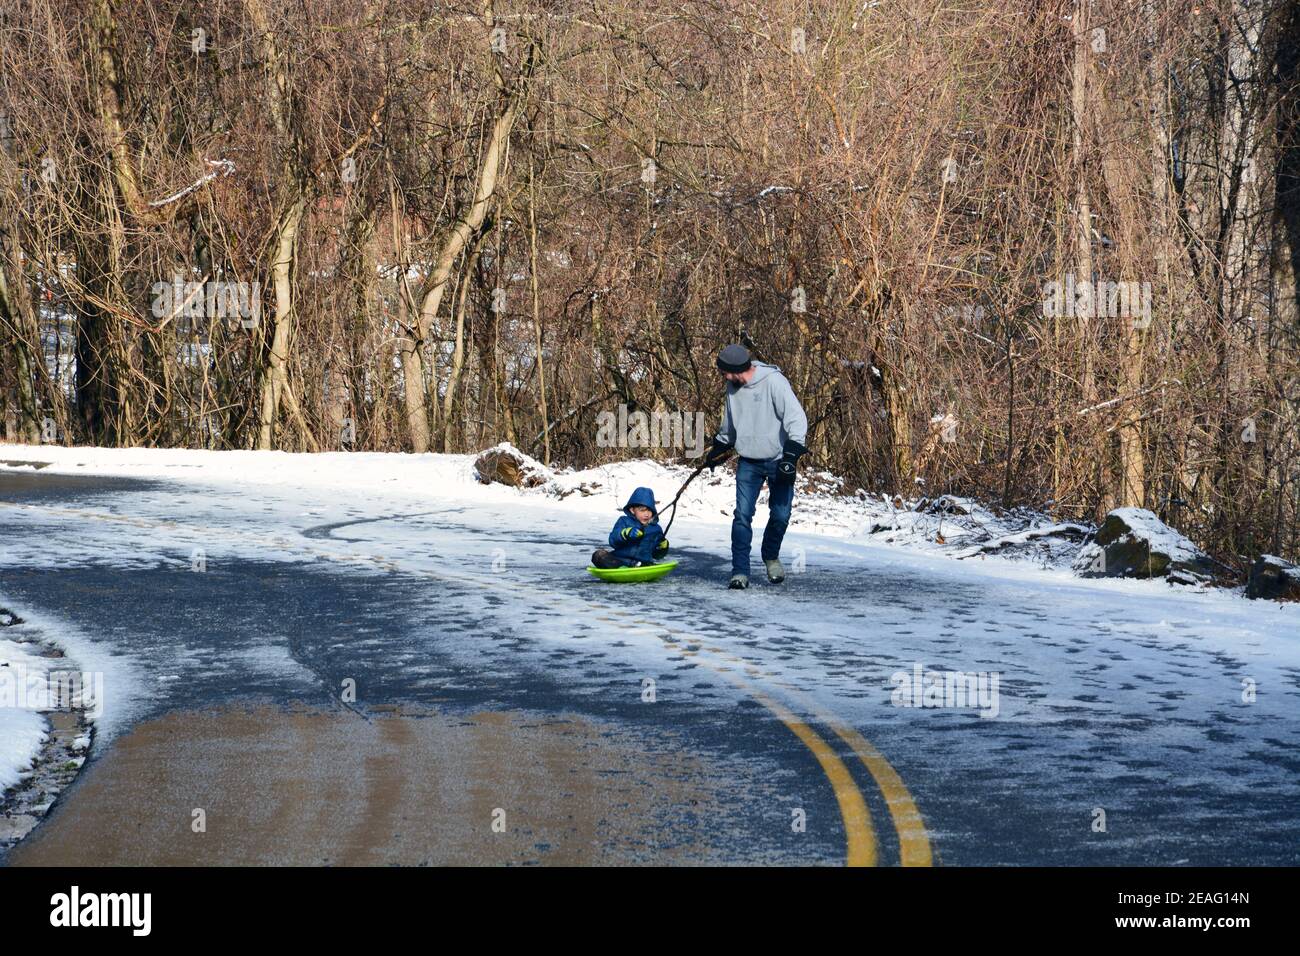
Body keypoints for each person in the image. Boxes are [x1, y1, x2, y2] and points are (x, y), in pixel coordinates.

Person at [701, 344, 808, 589]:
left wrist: (791, 457)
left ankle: (770, 557)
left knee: (781, 515)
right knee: (741, 516)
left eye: (726, 372)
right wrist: (718, 447)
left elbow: (796, 419)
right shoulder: (733, 387)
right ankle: (740, 571)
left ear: (737, 369)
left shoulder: (774, 382)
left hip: (779, 459)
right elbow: (730, 424)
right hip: (748, 461)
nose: (724, 377)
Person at [591, 486, 670, 569]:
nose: (646, 514)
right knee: (598, 555)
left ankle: (631, 568)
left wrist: (662, 548)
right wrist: (626, 533)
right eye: (642, 510)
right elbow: (613, 541)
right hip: (620, 560)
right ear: (632, 510)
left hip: (643, 564)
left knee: (648, 562)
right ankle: (620, 569)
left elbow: (657, 556)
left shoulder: (656, 529)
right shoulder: (624, 521)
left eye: (649, 510)